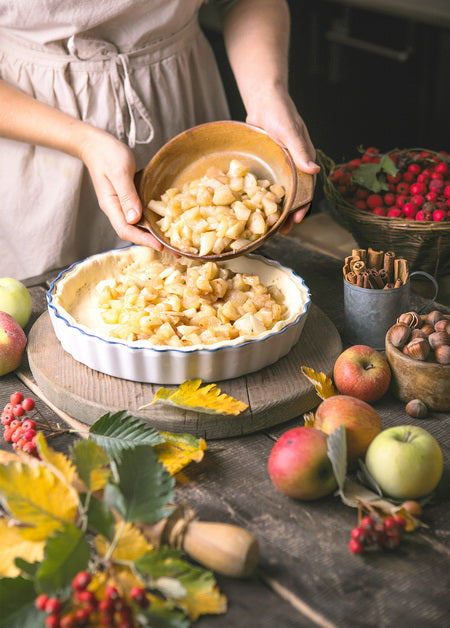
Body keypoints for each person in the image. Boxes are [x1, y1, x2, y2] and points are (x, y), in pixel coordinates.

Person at [0, 0, 319, 280]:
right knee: (50, 296)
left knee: (209, 287)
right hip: (37, 127)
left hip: (183, 103)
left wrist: (267, 95)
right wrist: (83, 141)